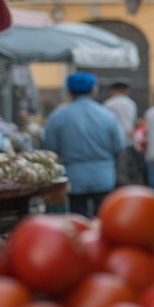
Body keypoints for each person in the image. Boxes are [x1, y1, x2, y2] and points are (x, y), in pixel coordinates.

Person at [44, 72, 125, 217]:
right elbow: (119, 146)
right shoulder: (108, 116)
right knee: (103, 219)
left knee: (77, 218)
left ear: (69, 91)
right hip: (104, 176)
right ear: (94, 90)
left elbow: (51, 149)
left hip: (74, 177)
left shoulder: (57, 117)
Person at [103, 81, 142, 185]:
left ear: (115, 89)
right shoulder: (131, 103)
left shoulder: (108, 103)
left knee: (116, 170)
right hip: (128, 141)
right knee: (127, 170)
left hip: (112, 142)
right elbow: (133, 123)